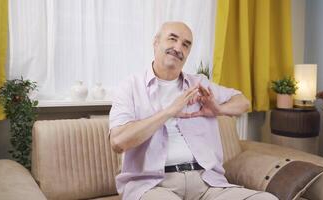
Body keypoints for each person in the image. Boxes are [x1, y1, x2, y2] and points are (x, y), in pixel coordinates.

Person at [109, 21, 278, 200]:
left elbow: (243, 102)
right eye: (172, 39)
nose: (178, 47)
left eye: (185, 44)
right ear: (156, 42)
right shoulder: (130, 87)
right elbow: (118, 142)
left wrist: (218, 109)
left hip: (207, 184)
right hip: (154, 186)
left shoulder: (199, 85)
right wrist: (169, 111)